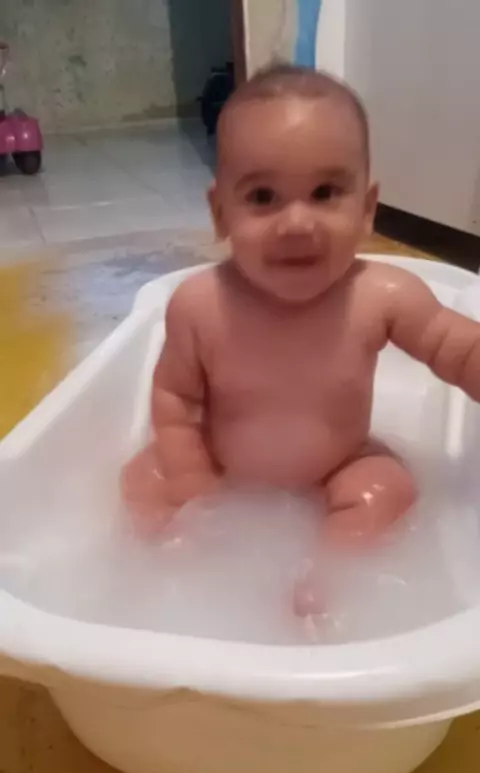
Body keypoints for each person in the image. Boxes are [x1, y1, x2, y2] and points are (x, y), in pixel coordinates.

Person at [122, 63, 480, 616]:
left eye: (324, 192)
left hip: (339, 464)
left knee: (387, 490)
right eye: (263, 196)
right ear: (221, 213)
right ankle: (167, 580)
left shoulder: (381, 296)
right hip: (221, 465)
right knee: (143, 479)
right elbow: (175, 400)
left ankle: (326, 581)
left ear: (367, 209)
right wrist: (193, 484)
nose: (296, 223)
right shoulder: (200, 305)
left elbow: (457, 348)